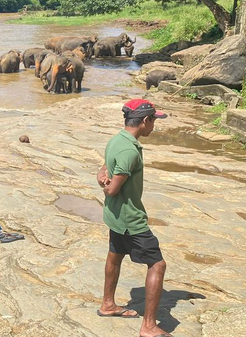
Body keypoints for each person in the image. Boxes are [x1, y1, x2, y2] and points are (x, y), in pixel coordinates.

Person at [96, 99, 169, 337]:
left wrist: (101, 177)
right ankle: (148, 326)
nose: (154, 126)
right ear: (145, 121)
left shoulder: (117, 140)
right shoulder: (129, 150)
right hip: (130, 219)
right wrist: (104, 185)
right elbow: (111, 189)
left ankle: (107, 304)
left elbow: (104, 169)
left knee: (115, 255)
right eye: (154, 121)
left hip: (115, 215)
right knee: (157, 264)